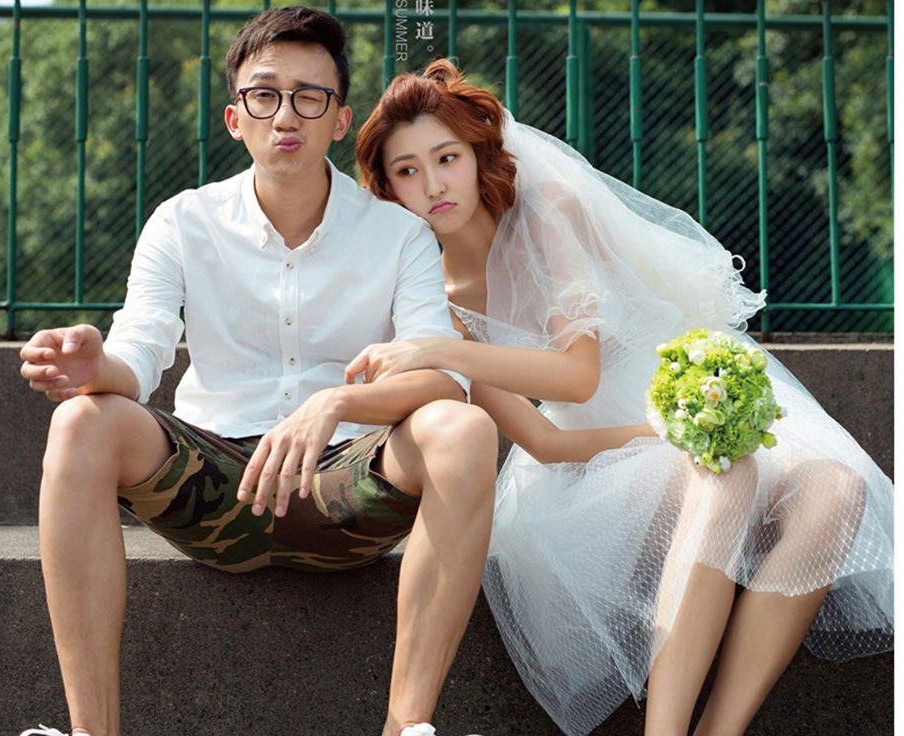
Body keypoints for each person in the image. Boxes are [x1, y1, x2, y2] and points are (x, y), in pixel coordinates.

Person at [350, 59, 893, 736]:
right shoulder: (439, 304)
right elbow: (546, 439)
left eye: (447, 157)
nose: (433, 184)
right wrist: (664, 439)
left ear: (479, 152)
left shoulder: (548, 210)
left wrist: (443, 352)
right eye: (407, 171)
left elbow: (578, 371)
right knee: (726, 476)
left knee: (838, 490)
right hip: (597, 462)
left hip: (683, 397)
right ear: (388, 189)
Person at [17, 11, 497, 736]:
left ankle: (407, 728)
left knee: (463, 428)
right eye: (265, 94)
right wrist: (95, 365)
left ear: (340, 120)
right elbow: (139, 354)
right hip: (210, 486)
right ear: (235, 117)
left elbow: (442, 375)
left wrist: (335, 403)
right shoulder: (182, 221)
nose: (286, 116)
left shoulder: (399, 234)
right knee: (82, 420)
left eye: (310, 96)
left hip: (350, 485)